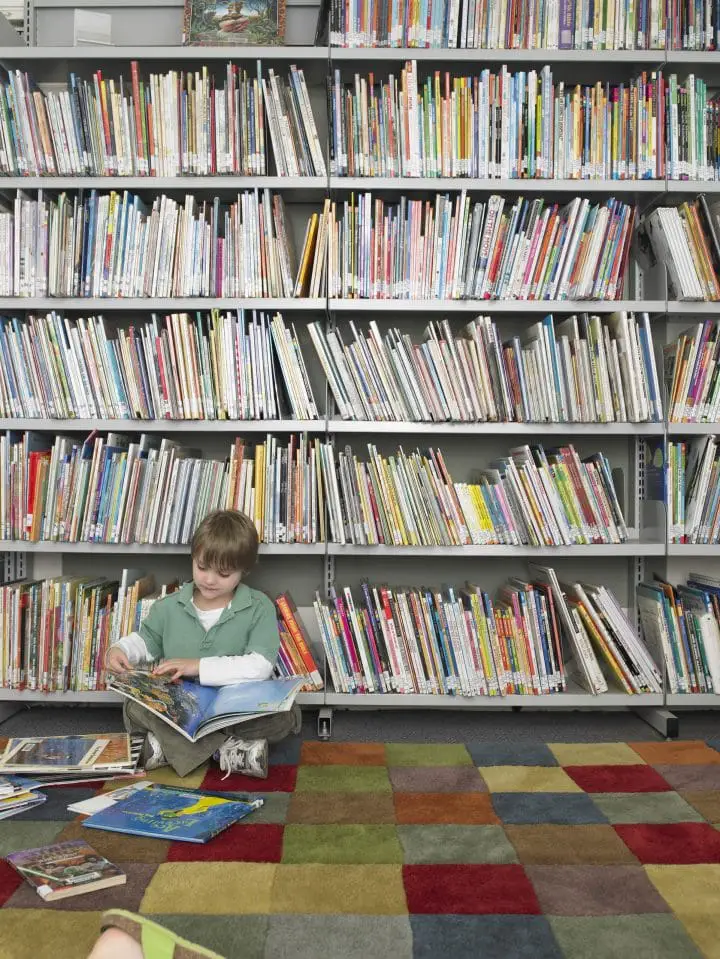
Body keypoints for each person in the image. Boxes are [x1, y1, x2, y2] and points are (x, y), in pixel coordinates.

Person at [105, 509, 301, 778]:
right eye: (202, 567)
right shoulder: (169, 606)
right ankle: (226, 752)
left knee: (285, 716)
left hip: (234, 706)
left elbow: (260, 666)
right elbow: (146, 640)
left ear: (244, 570)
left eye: (223, 573)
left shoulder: (259, 607)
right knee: (133, 707)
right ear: (193, 559)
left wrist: (197, 666)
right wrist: (121, 649)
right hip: (183, 705)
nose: (209, 579)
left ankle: (170, 749)